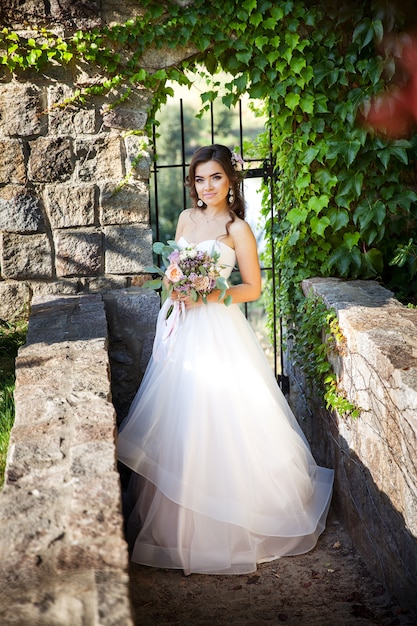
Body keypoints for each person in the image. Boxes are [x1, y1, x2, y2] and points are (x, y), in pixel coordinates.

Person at [117, 144, 334, 576]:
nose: (208, 186)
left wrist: (212, 293)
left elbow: (252, 287)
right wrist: (176, 285)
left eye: (216, 177)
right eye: (200, 178)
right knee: (182, 416)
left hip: (217, 326)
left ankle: (235, 523)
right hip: (182, 327)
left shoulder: (238, 228)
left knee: (223, 416)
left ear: (230, 180)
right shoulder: (185, 219)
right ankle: (177, 529)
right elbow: (170, 272)